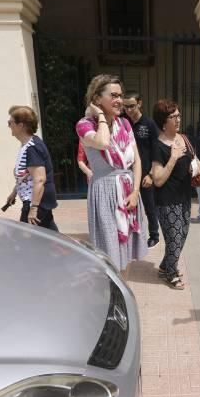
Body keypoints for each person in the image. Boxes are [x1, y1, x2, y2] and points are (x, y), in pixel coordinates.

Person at [75, 74, 147, 272]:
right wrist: (99, 115)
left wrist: (135, 192)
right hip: (105, 192)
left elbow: (137, 159)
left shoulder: (124, 123)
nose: (119, 100)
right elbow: (102, 142)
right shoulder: (84, 125)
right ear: (97, 99)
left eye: (120, 95)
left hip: (128, 189)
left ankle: (123, 293)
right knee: (109, 253)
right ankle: (113, 293)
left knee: (127, 249)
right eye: (113, 95)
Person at [150, 99, 198, 290]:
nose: (178, 119)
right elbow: (158, 179)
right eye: (173, 116)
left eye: (178, 115)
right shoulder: (158, 145)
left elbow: (194, 160)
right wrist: (173, 157)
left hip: (185, 197)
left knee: (182, 236)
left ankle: (164, 267)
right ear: (163, 121)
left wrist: (197, 167)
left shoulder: (183, 138)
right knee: (174, 239)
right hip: (167, 201)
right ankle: (170, 273)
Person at [4, 105, 58, 231]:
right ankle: (68, 249)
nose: (9, 125)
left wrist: (34, 209)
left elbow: (39, 179)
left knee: (27, 238)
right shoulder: (28, 144)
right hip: (36, 201)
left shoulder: (32, 148)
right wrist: (14, 192)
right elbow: (27, 174)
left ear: (20, 125)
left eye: (10, 122)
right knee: (49, 237)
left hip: (37, 202)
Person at [123, 91, 161, 247]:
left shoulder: (149, 124)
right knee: (129, 206)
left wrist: (151, 174)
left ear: (140, 103)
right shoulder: (123, 123)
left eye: (132, 106)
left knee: (149, 206)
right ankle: (132, 235)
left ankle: (154, 235)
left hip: (145, 174)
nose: (129, 110)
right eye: (126, 107)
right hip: (127, 174)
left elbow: (156, 150)